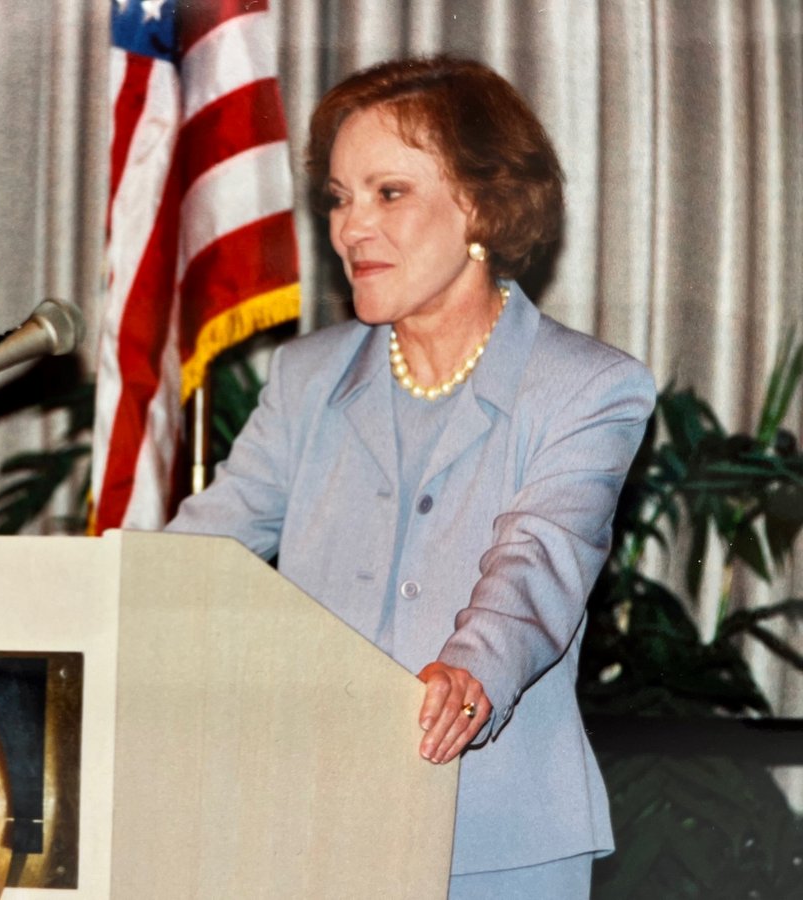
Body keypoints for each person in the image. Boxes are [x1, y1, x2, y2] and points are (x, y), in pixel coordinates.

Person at [166, 56, 655, 897]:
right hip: (305, 826)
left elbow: (540, 559)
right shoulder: (306, 379)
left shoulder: (587, 387)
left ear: (480, 205)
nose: (351, 227)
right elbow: (198, 549)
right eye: (339, 197)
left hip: (498, 838)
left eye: (388, 193)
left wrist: (473, 671)